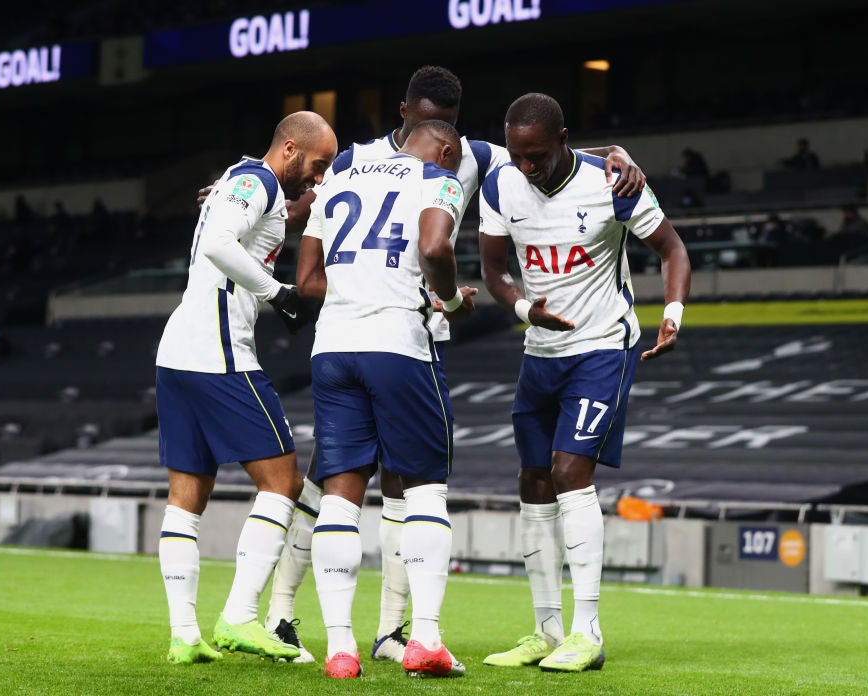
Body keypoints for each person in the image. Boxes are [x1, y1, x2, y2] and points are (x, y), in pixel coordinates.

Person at [254, 65, 648, 666]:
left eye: (453, 126)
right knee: (366, 482)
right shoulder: (408, 162)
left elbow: (540, 152)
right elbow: (312, 206)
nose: (449, 139)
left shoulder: (414, 158)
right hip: (402, 335)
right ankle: (286, 614)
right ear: (406, 113)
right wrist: (250, 198)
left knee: (376, 486)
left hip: (363, 340)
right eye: (435, 123)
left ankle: (384, 631)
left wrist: (614, 155)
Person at [478, 93, 690, 673]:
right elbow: (494, 272)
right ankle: (546, 631)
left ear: (564, 139)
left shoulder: (613, 181)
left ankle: (587, 632)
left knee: (571, 471)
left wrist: (672, 315)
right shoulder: (500, 185)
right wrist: (524, 309)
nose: (527, 166)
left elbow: (672, 248)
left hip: (601, 347)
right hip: (539, 349)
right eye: (518, 155)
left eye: (538, 155)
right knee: (533, 479)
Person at [154, 111, 337, 666]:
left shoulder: (249, 179)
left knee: (188, 496)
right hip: (220, 354)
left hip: (177, 354)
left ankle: (184, 635)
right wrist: (278, 293)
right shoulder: (255, 181)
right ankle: (238, 616)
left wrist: (315, 197)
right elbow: (216, 242)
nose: (319, 177)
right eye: (317, 165)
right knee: (283, 482)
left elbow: (282, 209)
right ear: (289, 148)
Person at [300, 120, 475, 679]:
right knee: (425, 490)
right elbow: (433, 245)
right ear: (447, 149)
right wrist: (449, 299)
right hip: (397, 343)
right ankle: (424, 638)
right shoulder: (437, 177)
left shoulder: (341, 175)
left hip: (331, 347)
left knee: (340, 497)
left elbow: (306, 277)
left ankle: (340, 649)